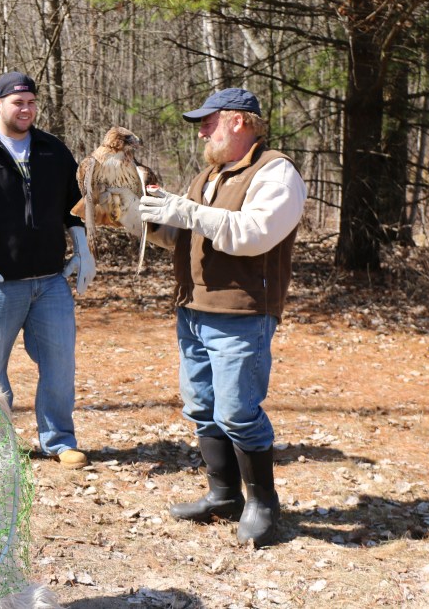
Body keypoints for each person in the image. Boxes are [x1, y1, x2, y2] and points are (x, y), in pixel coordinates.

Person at [111, 87, 306, 547]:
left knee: (238, 411)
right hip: (194, 307)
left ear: (239, 121)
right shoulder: (210, 175)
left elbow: (254, 235)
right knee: (201, 406)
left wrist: (188, 210)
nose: (201, 130)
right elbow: (187, 237)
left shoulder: (275, 172)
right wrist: (137, 215)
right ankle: (223, 496)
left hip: (241, 312)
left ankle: (262, 504)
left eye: (208, 121)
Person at [0, 71, 95, 469]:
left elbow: (73, 205)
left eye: (30, 103)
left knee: (60, 364)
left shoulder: (51, 150)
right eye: (17, 103)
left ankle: (59, 441)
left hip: (50, 281)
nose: (25, 110)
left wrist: (81, 248)